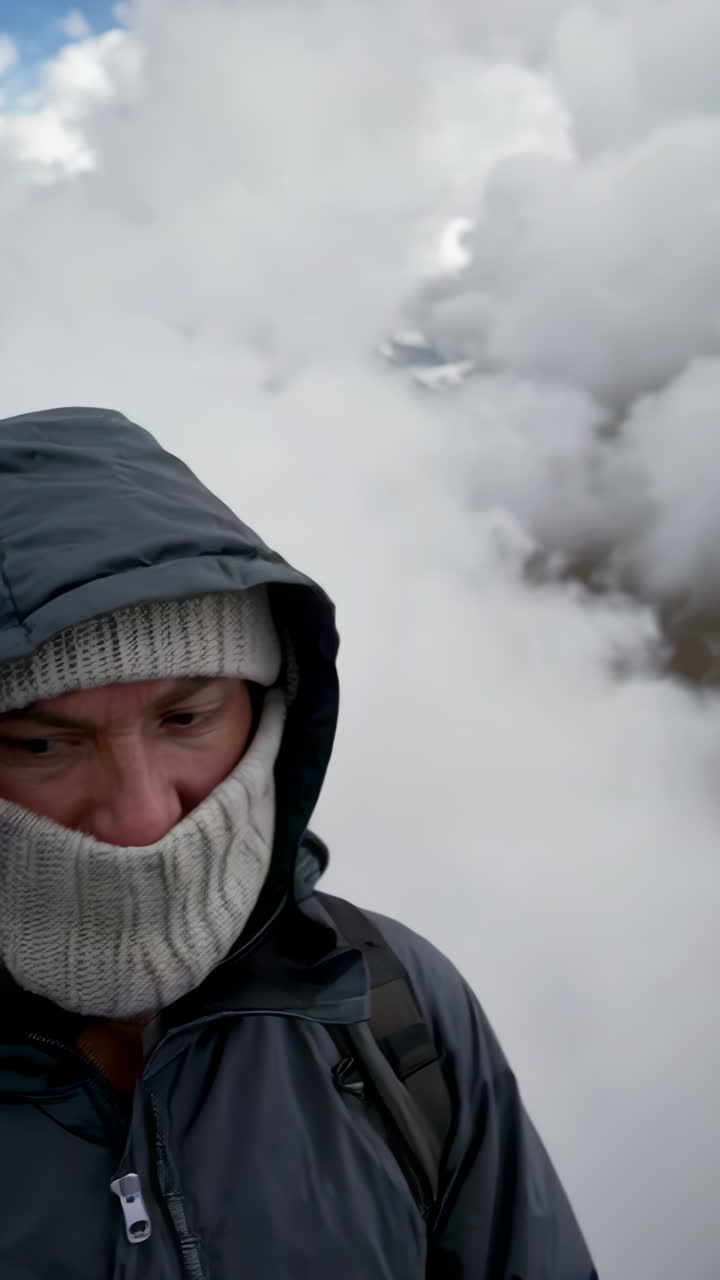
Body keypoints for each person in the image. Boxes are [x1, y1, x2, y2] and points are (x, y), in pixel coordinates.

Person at [0, 405, 597, 1279]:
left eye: (187, 718)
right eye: (42, 745)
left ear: (270, 710)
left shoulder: (391, 1010)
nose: (142, 816)